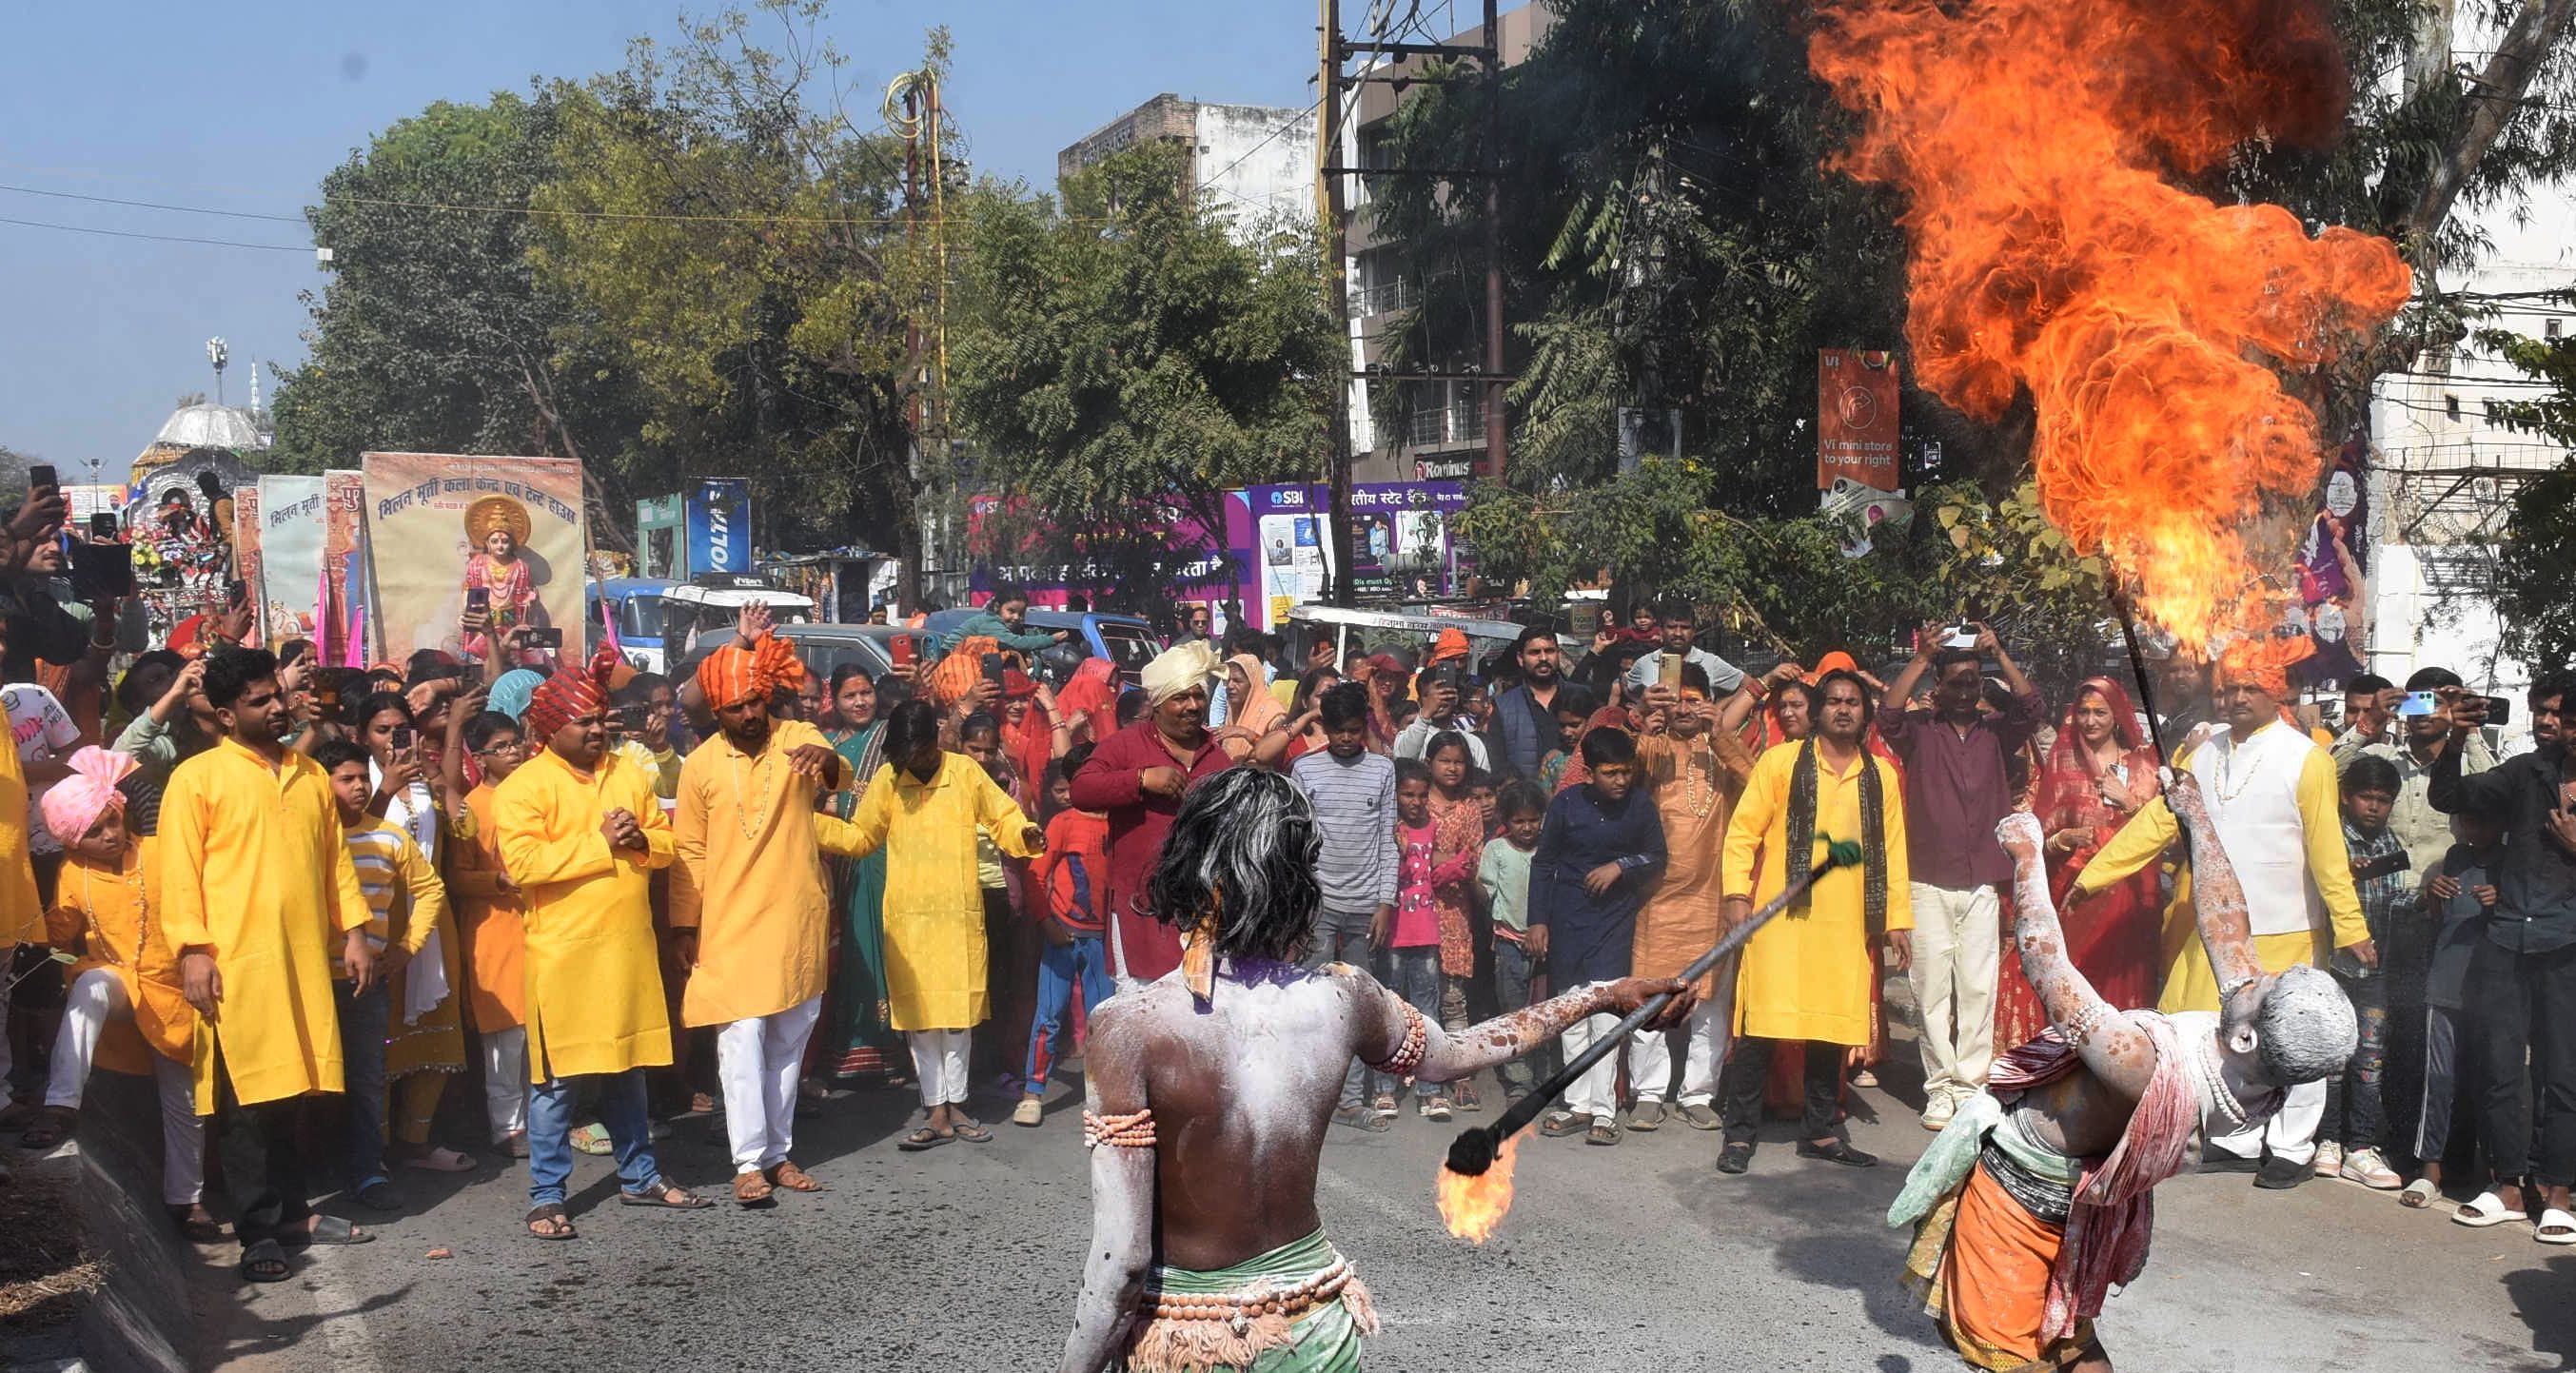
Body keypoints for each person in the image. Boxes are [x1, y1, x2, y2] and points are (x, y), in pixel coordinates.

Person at [1056, 766, 1694, 1373]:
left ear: (1188, 868)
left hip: (1191, 1340)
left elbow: (1123, 1260)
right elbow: (1461, 1052)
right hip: (1315, 1326)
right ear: (1299, 878)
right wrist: (1601, 992)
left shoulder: (1127, 1026)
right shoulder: (1343, 996)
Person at [1892, 789, 2358, 1373]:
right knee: (2070, 1343)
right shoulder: (2255, 1068)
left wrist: (2028, 857)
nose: (2254, 972)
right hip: (2077, 1205)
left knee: (2002, 1352)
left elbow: (2045, 964)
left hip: (2024, 1197)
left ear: (2247, 1038)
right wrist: (2196, 817)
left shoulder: (2146, 1067)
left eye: (2266, 985)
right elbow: (2227, 924)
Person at [2071, 649, 2373, 1190]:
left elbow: (2328, 853)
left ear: (2276, 693)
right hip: (2215, 924)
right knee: (2219, 1031)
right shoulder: (2202, 752)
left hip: (2286, 923)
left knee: (2292, 1038)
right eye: (2229, 688)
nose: (2235, 699)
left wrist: (2350, 928)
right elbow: (2160, 821)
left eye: (2248, 688)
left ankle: (2292, 1145)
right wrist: (2095, 874)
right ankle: (2234, 1137)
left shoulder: (2307, 759)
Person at [162, 647, 377, 1281]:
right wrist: (194, 950)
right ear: (227, 714)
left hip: (302, 961)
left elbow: (336, 861)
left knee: (293, 1092)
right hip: (236, 966)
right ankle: (257, 1231)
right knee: (246, 1104)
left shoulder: (310, 774)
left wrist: (356, 932)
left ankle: (292, 1214)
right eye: (260, 700)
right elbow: (179, 876)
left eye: (275, 695)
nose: (277, 706)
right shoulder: (197, 779)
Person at [494, 649, 711, 1239]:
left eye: (598, 717)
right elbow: (524, 864)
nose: (596, 729)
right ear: (549, 728)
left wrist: (641, 839)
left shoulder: (628, 773)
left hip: (627, 951)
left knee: (627, 1071)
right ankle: (547, 1195)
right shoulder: (522, 788)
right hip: (563, 958)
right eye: (582, 721)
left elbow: (668, 846)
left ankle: (640, 1176)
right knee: (557, 1084)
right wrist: (601, 844)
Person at [669, 625, 849, 1203]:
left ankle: (779, 1153)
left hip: (795, 915)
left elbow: (839, 775)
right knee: (740, 1036)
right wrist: (683, 924)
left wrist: (828, 759)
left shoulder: (798, 734)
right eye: (736, 707)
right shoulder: (699, 766)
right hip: (728, 922)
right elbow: (689, 852)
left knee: (788, 1041)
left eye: (755, 702)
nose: (750, 714)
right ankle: (747, 1161)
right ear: (716, 712)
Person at [1718, 670, 1913, 1173]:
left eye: (1852, 702)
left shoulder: (1881, 775)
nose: (1843, 709)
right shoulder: (1781, 763)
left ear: (1864, 714)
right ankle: (1739, 1136)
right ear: (1818, 710)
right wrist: (1737, 893)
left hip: (1844, 921)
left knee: (1830, 1031)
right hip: (1780, 919)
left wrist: (1895, 920)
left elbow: (1890, 852)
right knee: (1761, 1026)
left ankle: (1821, 1133)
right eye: (1833, 701)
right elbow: (1743, 833)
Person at [834, 698, 1042, 1149]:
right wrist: (809, 825)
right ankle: (935, 1110)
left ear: (938, 738)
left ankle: (958, 1104)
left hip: (957, 916)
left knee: (958, 1018)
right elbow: (862, 836)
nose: (915, 762)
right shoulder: (890, 780)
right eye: (906, 756)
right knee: (920, 1020)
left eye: (921, 752)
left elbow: (1002, 817)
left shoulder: (965, 773)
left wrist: (1024, 835)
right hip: (908, 922)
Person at [27, 746, 211, 1236]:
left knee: (184, 1102)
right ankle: (61, 1103)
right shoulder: (71, 873)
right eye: (94, 831)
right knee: (89, 985)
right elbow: (60, 932)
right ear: (72, 842)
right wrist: (35, 938)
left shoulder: (157, 851)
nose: (110, 834)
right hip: (122, 984)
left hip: (177, 991)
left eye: (112, 821)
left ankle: (187, 1201)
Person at [1877, 621, 2043, 1131]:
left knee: (1976, 987)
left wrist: (2001, 653)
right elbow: (1886, 715)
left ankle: (1971, 1086)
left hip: (1981, 882)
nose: (1966, 691)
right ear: (1939, 690)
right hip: (1927, 879)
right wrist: (1924, 657)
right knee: (1929, 988)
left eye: (1973, 682)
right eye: (1957, 682)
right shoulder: (1919, 734)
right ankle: (1939, 1089)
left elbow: (2032, 708)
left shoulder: (1998, 734)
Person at [2429, 676, 2576, 1237]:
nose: (2550, 724)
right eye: (2546, 713)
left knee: (2563, 1071)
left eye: (2561, 715)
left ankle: (2558, 1190)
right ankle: (2509, 1185)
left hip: (2567, 947)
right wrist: (2457, 737)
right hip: (2506, 939)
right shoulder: (2525, 774)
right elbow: (2450, 798)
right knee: (2500, 1066)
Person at [316, 738, 462, 1206]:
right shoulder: (309, 838)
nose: (359, 787)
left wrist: (405, 949)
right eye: (347, 779)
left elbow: (431, 890)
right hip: (310, 979)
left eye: (364, 778)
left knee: (366, 1079)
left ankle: (367, 1171)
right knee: (312, 1082)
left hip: (366, 982)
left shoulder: (389, 836)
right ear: (325, 785)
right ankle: (311, 1176)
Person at [1626, 666, 1762, 1131]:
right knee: (1651, 997)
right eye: (1676, 699)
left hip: (1711, 898)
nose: (1684, 709)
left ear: (1710, 702)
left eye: (1694, 699)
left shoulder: (1721, 750)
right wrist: (1644, 721)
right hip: (1655, 898)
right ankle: (1648, 1092)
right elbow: (1622, 769)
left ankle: (1698, 1093)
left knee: (1708, 1004)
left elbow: (1758, 783)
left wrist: (1719, 732)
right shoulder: (1655, 746)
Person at [1996, 677, 2163, 1049]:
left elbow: (2161, 830)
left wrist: (2130, 803)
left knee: (2124, 984)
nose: (2090, 721)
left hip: (2130, 896)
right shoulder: (2063, 759)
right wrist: (2063, 839)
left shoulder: (2144, 764)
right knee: (2076, 984)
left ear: (2117, 715)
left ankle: (2126, 1061)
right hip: (2075, 891)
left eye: (2100, 712)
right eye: (2084, 712)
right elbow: (2042, 834)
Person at [1527, 727, 1667, 1146]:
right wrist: (1538, 920)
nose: (1621, 781)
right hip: (1568, 918)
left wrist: (1621, 866)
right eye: (1611, 773)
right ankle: (1578, 1104)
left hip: (1614, 921)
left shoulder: (1641, 806)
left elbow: (1658, 857)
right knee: (1572, 1014)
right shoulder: (1566, 805)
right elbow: (1544, 863)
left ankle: (1605, 1112)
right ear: (1588, 772)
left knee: (1605, 1014)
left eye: (1626, 772)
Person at [1069, 640, 1233, 982]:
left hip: (1203, 910)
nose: (1192, 706)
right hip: (1141, 910)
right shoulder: (1126, 745)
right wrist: (1141, 779)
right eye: (1180, 698)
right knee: (1143, 1007)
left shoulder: (1217, 756)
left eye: (1198, 696)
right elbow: (1081, 790)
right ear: (1157, 704)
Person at [1288, 684, 1400, 1131]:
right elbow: (1296, 842)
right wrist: (1299, 901)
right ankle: (1308, 1097)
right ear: (1324, 728)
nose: (1346, 739)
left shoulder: (1382, 771)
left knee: (1354, 1004)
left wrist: (1385, 901)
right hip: (1317, 904)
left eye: (1354, 730)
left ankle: (1351, 1101)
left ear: (1365, 727)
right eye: (1337, 731)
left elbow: (1387, 843)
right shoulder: (1304, 769)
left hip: (1364, 906)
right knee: (1309, 1002)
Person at [2403, 807, 2504, 1210]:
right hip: (2446, 982)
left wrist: (2503, 900)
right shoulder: (2455, 859)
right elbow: (2438, 922)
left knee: (2493, 1082)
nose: (2476, 828)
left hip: (2495, 991)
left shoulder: (2514, 863)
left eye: (2485, 819)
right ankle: (2430, 1171)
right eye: (2469, 821)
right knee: (2438, 1080)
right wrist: (2434, 896)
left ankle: (2498, 1178)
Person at [445, 710, 532, 1155]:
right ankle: (507, 1127)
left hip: (535, 927)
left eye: (515, 741)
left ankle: (539, 1121)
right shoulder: (471, 808)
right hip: (493, 931)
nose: (513, 751)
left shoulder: (536, 793)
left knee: (535, 1032)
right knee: (504, 1036)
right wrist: (496, 881)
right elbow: (458, 878)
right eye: (501, 747)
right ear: (479, 757)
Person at [2318, 754, 2406, 1190]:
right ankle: (2327, 1141)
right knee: (2331, 1057)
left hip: (2376, 972)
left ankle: (2361, 1146)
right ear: (2346, 798)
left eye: (2383, 799)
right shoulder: (2330, 839)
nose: (2373, 807)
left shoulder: (2392, 845)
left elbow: (2395, 905)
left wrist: (2424, 900)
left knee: (2369, 1059)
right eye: (2365, 797)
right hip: (2331, 968)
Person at [1016, 749, 1113, 1128]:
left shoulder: (1117, 823)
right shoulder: (1063, 823)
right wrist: (1047, 923)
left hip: (1099, 940)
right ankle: (1033, 1091)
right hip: (1063, 936)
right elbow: (1035, 875)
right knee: (1050, 1016)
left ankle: (1103, 1093)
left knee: (1102, 1019)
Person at [819, 664, 901, 1083]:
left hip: (888, 857)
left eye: (866, 693)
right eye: (850, 696)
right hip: (847, 862)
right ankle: (855, 1047)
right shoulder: (826, 746)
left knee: (889, 947)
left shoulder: (890, 735)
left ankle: (892, 1050)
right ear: (834, 701)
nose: (861, 702)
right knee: (854, 949)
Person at [1383, 759, 1453, 1121]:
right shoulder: (1389, 830)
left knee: (1428, 1011)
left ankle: (1430, 1088)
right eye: (1407, 794)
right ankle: (1386, 1088)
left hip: (1425, 931)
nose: (1414, 801)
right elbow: (1387, 879)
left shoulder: (1431, 828)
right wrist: (1397, 849)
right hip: (1394, 932)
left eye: (1421, 795)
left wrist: (1457, 863)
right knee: (1392, 1011)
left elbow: (1435, 871)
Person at [1480, 780, 1548, 1104]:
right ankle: (1518, 1078)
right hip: (1509, 942)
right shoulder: (1496, 850)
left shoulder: (1549, 851)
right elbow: (1486, 892)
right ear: (1505, 822)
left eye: (1533, 820)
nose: (1527, 827)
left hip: (1545, 943)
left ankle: (1545, 1073)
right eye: (1519, 821)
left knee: (1544, 1012)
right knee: (1513, 1011)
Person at [457, 496, 541, 661]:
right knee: (481, 659)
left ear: (512, 543)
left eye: (504, 541)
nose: (500, 546)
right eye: (495, 541)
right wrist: (465, 614)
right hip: (484, 617)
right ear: (487, 544)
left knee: (511, 658)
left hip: (511, 617)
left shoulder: (520, 567)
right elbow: (468, 590)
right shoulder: (477, 564)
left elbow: (526, 595)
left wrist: (531, 601)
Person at [1622, 600, 1747, 700]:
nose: (1678, 633)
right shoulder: (1645, 663)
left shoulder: (1711, 662)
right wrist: (1641, 705)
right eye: (1671, 627)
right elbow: (1625, 684)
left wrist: (1721, 708)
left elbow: (1749, 685)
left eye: (1685, 627)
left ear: (1694, 631)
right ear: (1661, 630)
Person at [1491, 627, 1568, 784]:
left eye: (1549, 651)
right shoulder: (1504, 706)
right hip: (1527, 802)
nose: (1543, 658)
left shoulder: (1580, 696)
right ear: (1521, 658)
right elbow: (1498, 765)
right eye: (1534, 652)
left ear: (1558, 654)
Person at [1392, 666, 1491, 772]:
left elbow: (1482, 781)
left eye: (1443, 694)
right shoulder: (1409, 736)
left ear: (1455, 698)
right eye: (1429, 696)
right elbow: (1404, 762)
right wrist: (1425, 714)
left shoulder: (1473, 743)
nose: (1437, 700)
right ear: (1419, 701)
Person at [608, 672, 682, 800]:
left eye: (670, 704)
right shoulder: (614, 749)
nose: (665, 712)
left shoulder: (640, 753)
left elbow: (671, 789)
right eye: (657, 705)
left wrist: (661, 746)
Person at [1209, 652, 1286, 763]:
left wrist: (1245, 733)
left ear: (1252, 683)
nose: (1230, 686)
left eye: (1237, 681)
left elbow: (1280, 747)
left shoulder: (1272, 710)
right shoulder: (1235, 708)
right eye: (1226, 680)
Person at [949, 587, 1068, 657]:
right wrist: (1051, 639)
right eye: (1011, 611)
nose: (1016, 617)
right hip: (950, 658)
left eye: (1021, 614)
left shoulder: (997, 623)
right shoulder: (990, 623)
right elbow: (1015, 642)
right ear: (996, 607)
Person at [2335, 673, 2398, 754]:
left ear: (2390, 716)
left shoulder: (2405, 761)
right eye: (2351, 710)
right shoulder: (2327, 756)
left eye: (2370, 712)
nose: (2358, 719)